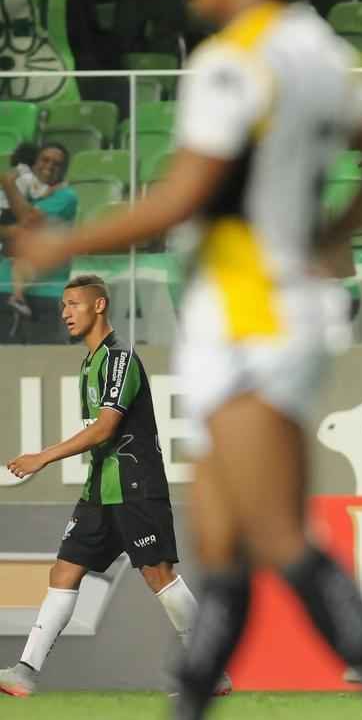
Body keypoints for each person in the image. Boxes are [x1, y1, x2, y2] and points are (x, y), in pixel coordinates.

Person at [11, 0, 362, 718]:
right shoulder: (315, 49)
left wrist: (63, 241)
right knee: (222, 547)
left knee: (274, 536)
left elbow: (185, 197)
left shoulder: (232, 61)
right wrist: (328, 237)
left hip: (250, 319)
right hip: (272, 311)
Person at [0, 275, 230, 699]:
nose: (65, 312)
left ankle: (209, 671)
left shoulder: (119, 358)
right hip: (99, 491)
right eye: (63, 305)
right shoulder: (89, 362)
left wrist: (42, 457)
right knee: (64, 571)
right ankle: (25, 671)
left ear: (99, 305)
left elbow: (105, 429)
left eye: (73, 304)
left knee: (158, 574)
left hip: (135, 486)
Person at [0, 143, 78, 344]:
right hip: (4, 287)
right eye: (45, 160)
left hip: (48, 293)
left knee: (48, 366)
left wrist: (8, 184)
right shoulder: (22, 192)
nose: (50, 166)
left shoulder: (66, 196)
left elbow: (29, 219)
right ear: (33, 163)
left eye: (57, 164)